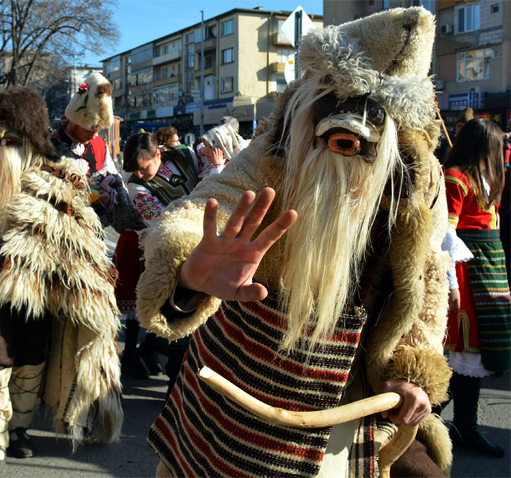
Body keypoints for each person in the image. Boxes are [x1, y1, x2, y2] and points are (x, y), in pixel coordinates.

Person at [137, 8, 453, 477]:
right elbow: (207, 205)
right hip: (240, 382)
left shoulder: (417, 179)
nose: (344, 155)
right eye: (333, 135)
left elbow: (426, 281)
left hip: (350, 397)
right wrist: (187, 270)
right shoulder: (272, 152)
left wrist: (414, 370)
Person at [0, 87, 123, 477]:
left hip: (40, 292)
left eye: (14, 139)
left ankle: (18, 429)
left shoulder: (58, 180)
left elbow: (81, 230)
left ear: (33, 140)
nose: (5, 147)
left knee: (31, 361)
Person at [440, 118, 510, 458]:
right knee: (464, 352)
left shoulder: (490, 178)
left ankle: (458, 426)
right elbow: (446, 235)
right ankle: (440, 424)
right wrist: (451, 283)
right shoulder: (455, 178)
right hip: (466, 273)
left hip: (490, 269)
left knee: (476, 353)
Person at [118, 132, 202, 395]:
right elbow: (160, 223)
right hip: (173, 255)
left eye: (143, 168)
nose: (140, 174)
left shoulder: (187, 156)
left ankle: (148, 354)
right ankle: (173, 391)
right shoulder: (136, 187)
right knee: (179, 324)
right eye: (135, 170)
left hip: (205, 243)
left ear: (158, 154)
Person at [51, 71, 139, 232]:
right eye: (89, 128)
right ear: (75, 120)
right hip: (58, 228)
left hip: (93, 229)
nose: (94, 135)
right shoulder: (51, 145)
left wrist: (109, 195)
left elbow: (113, 178)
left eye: (98, 129)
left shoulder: (99, 144)